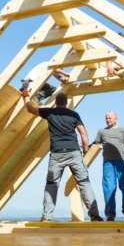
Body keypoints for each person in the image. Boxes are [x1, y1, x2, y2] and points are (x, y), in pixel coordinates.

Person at [21, 90, 103, 222]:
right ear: (66, 103)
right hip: (74, 152)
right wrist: (86, 150)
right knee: (84, 182)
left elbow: (30, 109)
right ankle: (94, 215)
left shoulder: (49, 112)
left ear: (55, 102)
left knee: (51, 184)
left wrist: (25, 95)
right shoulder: (74, 114)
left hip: (57, 153)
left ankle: (46, 217)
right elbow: (84, 134)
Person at [94, 111, 124, 221]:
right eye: (106, 118)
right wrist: (84, 146)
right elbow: (95, 144)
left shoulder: (123, 130)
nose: (108, 120)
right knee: (109, 188)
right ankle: (110, 214)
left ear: (116, 119)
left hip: (122, 162)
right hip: (108, 163)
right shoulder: (101, 131)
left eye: (110, 118)